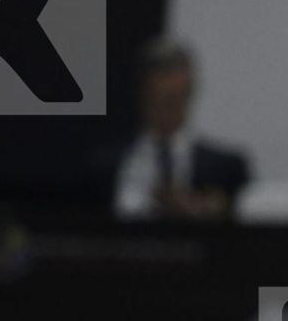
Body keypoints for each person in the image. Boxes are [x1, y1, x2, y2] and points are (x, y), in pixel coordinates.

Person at [80, 38, 252, 220]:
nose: (164, 112)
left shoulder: (225, 170)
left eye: (172, 101)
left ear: (189, 94)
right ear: (141, 96)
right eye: (156, 100)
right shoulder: (104, 168)